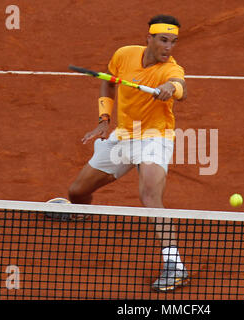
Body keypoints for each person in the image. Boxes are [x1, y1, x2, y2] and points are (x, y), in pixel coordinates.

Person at [68, 14, 189, 292]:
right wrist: (103, 119)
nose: (168, 47)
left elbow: (181, 87)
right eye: (163, 40)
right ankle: (76, 211)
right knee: (76, 193)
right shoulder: (124, 55)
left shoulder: (170, 70)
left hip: (154, 137)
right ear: (149, 38)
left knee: (149, 195)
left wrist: (169, 89)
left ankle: (175, 265)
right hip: (123, 136)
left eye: (173, 42)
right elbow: (109, 81)